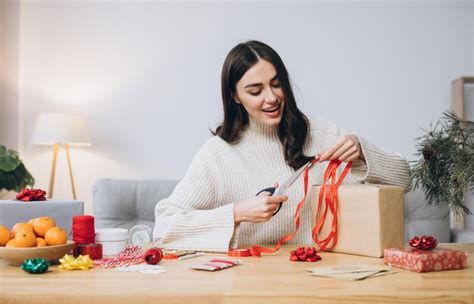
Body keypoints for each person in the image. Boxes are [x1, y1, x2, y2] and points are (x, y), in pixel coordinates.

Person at [153, 40, 411, 253]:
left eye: (276, 84)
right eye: (255, 91)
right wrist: (237, 212)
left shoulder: (321, 134)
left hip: (315, 283)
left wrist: (362, 154)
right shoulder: (217, 155)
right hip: (247, 289)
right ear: (235, 97)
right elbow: (164, 227)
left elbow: (405, 179)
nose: (272, 97)